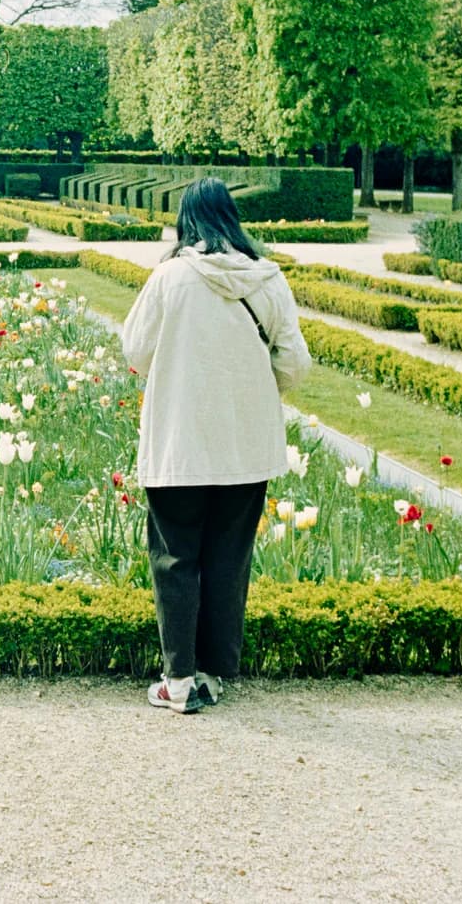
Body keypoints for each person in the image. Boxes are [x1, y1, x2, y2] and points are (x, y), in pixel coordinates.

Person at [120, 177, 311, 714]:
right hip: (245, 444)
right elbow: (294, 364)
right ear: (232, 219)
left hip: (180, 441)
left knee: (176, 556)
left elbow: (135, 351)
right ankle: (211, 676)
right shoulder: (268, 279)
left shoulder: (170, 278)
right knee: (229, 558)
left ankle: (177, 681)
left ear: (187, 220)